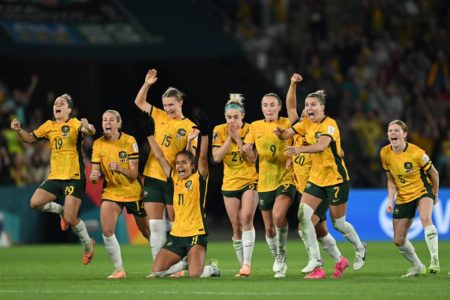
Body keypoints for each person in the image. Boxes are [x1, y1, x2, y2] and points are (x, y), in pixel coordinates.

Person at [276, 89, 358, 279]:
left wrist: (338, 150)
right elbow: (290, 111)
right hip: (304, 188)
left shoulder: (315, 136)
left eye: (311, 107)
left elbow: (325, 149)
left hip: (319, 186)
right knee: (320, 232)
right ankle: (339, 261)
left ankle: (318, 266)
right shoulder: (299, 131)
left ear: (321, 109)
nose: (306, 111)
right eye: (305, 108)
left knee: (305, 226)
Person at [10, 93, 96, 264]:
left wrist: (88, 127)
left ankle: (88, 244)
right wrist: (19, 130)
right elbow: (29, 139)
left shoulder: (74, 123)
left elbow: (90, 130)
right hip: (55, 177)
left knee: (72, 219)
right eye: (56, 103)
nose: (57, 105)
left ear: (69, 110)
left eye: (62, 103)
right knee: (35, 202)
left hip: (74, 177)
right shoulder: (48, 126)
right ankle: (60, 211)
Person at [143, 112, 220, 278]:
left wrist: (205, 135)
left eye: (183, 163)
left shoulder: (199, 178)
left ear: (192, 166)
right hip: (176, 235)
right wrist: (150, 135)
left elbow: (203, 158)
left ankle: (212, 269)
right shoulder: (174, 178)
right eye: (177, 163)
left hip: (196, 234)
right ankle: (185, 263)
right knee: (157, 271)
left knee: (194, 275)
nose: (179, 166)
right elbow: (160, 156)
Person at [134, 69, 196, 261]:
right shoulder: (159, 116)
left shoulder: (190, 127)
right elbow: (139, 102)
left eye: (171, 105)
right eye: (165, 105)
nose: (168, 108)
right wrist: (147, 85)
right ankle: (158, 265)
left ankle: (181, 262)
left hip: (174, 179)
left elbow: (191, 158)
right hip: (153, 175)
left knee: (175, 223)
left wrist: (189, 143)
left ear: (180, 103)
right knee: (154, 225)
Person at [90, 110, 150, 279]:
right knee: (107, 230)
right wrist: (94, 177)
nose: (106, 123)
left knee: (147, 232)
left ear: (118, 123)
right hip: (112, 191)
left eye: (110, 120)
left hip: (132, 192)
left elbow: (133, 173)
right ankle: (119, 270)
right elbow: (95, 174)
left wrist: (120, 168)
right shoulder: (98, 144)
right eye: (104, 120)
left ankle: (167, 266)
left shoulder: (129, 141)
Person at [242, 93, 295, 278]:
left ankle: (281, 254)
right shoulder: (255, 126)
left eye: (273, 105)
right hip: (264, 182)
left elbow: (300, 142)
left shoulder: (288, 123)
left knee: (279, 215)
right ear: (262, 108)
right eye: (265, 105)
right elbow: (250, 157)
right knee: (269, 228)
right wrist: (245, 150)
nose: (269, 108)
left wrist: (293, 158)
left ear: (279, 107)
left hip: (286, 177)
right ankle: (279, 257)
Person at [380, 120, 440, 277]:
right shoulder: (384, 153)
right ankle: (419, 266)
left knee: (425, 218)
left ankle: (434, 261)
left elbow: (434, 173)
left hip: (422, 190)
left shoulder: (417, 153)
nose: (393, 133)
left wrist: (435, 194)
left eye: (397, 130)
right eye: (390, 130)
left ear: (404, 134)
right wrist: (390, 200)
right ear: (387, 135)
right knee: (398, 239)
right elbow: (391, 179)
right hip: (404, 196)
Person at [211, 94, 259, 277]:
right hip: (230, 183)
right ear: (225, 117)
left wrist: (239, 140)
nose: (232, 121)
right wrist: (229, 139)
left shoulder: (251, 129)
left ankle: (247, 265)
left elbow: (253, 158)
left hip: (249, 180)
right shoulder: (219, 130)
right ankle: (242, 267)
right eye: (229, 117)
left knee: (246, 218)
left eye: (236, 117)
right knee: (236, 226)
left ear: (243, 116)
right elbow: (216, 157)